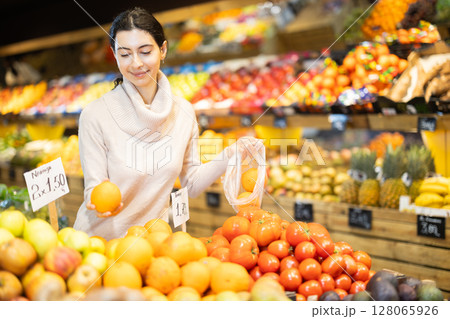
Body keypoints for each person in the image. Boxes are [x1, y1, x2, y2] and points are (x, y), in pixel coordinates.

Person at [73, 7, 261, 240]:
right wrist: (96, 202)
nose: (136, 63)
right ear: (114, 54)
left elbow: (192, 184)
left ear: (162, 50)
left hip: (152, 245)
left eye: (145, 51)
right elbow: (94, 188)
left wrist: (233, 153)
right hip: (101, 244)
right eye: (125, 54)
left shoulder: (183, 112)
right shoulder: (95, 115)